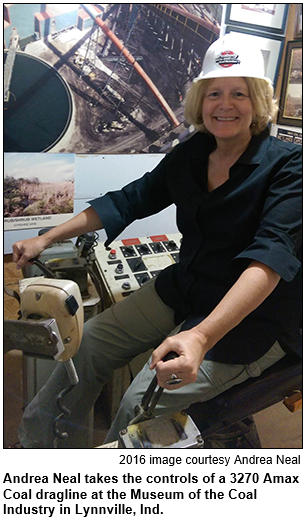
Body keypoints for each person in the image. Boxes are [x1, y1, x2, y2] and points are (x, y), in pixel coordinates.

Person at [12, 34, 302, 448]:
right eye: (214, 92)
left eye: (239, 93)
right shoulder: (191, 154)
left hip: (254, 319)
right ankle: (39, 449)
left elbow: (269, 261)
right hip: (188, 285)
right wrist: (48, 238)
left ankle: (114, 489)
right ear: (200, 100)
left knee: (138, 403)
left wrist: (200, 337)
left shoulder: (290, 166)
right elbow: (131, 199)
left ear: (257, 101)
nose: (225, 104)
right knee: (87, 346)